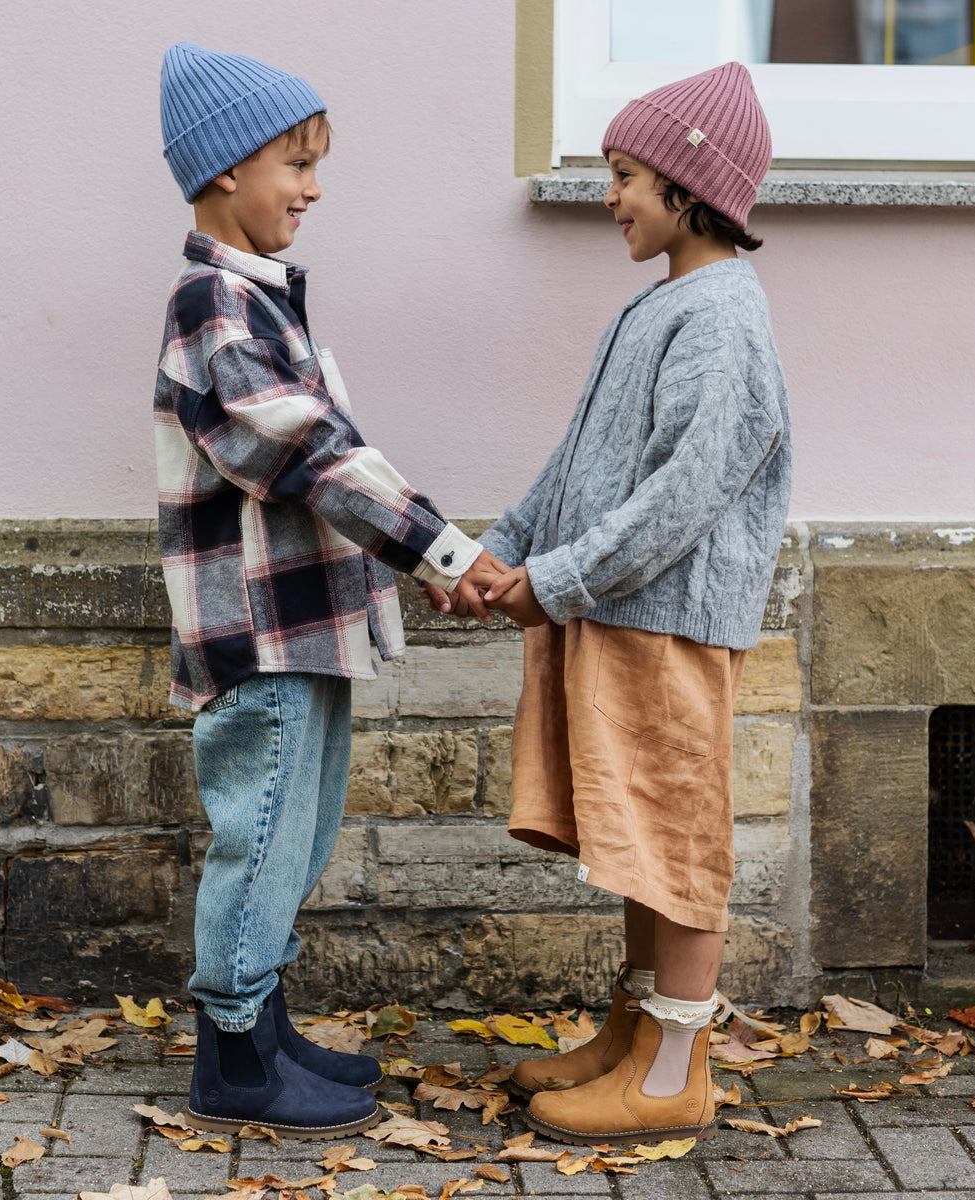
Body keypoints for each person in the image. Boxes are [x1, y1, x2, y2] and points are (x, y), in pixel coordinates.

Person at [426, 61, 791, 1146]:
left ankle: (675, 1070)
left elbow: (682, 495)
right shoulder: (665, 304)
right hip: (624, 613)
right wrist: (507, 548)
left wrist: (559, 580)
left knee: (674, 834)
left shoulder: (723, 320)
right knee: (635, 833)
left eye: (626, 174)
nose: (610, 196)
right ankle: (638, 1034)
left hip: (668, 622)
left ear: (691, 185)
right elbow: (582, 457)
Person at [154, 42, 505, 1139]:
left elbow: (342, 450)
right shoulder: (214, 304)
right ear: (223, 173)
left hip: (304, 630)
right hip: (258, 635)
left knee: (294, 836)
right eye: (291, 164)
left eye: (314, 165)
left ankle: (267, 1025)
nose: (311, 188)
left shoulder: (262, 299)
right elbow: (307, 455)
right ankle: (234, 1061)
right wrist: (444, 551)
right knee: (259, 835)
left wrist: (423, 554)